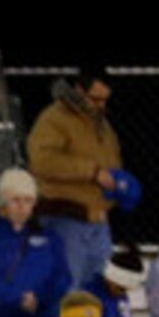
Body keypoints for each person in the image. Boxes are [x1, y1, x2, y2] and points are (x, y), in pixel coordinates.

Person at [27, 69, 125, 301]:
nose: (101, 105)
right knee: (67, 292)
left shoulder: (102, 125)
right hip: (66, 220)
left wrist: (118, 186)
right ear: (80, 90)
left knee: (97, 293)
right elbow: (42, 161)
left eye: (105, 100)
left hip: (98, 222)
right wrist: (91, 171)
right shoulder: (55, 118)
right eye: (95, 99)